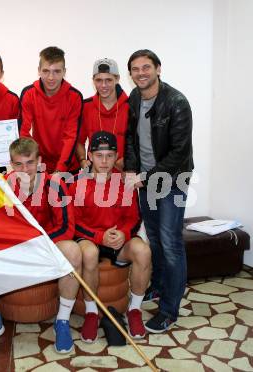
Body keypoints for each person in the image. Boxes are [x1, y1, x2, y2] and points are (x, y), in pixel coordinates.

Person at [124, 49, 194, 333]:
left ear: (158, 69)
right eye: (136, 69)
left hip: (172, 180)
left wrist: (146, 176)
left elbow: (179, 152)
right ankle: (162, 286)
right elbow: (130, 137)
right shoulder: (134, 97)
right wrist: (131, 169)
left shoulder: (177, 102)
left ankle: (169, 309)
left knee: (170, 242)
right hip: (144, 179)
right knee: (154, 238)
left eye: (146, 67)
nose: (141, 73)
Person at [69, 131, 151, 341]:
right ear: (90, 155)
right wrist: (98, 236)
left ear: (116, 157)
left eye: (109, 155)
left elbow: (134, 217)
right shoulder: (78, 182)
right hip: (91, 239)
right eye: (98, 155)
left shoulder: (124, 182)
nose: (104, 161)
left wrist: (124, 234)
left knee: (142, 251)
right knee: (87, 253)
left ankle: (134, 310)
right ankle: (91, 312)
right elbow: (74, 223)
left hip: (118, 240)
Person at [7, 137, 82, 353]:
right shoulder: (3, 187)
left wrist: (39, 243)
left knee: (73, 250)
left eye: (30, 162)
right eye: (19, 164)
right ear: (12, 165)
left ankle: (63, 320)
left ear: (39, 161)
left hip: (47, 247)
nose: (25, 169)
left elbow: (67, 227)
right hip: (18, 248)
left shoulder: (54, 185)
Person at [19, 46, 83, 174]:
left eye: (57, 71)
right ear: (39, 71)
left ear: (64, 71)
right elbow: (24, 132)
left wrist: (60, 170)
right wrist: (34, 162)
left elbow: (71, 137)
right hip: (40, 165)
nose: (51, 77)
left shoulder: (75, 97)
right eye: (46, 71)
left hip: (68, 167)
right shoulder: (28, 94)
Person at [76, 58, 129, 171]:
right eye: (99, 80)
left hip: (123, 174)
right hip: (94, 174)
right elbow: (79, 141)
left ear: (117, 79)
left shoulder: (131, 106)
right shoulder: (85, 106)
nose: (103, 85)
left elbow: (140, 143)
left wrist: (128, 161)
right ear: (93, 80)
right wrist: (82, 160)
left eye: (109, 80)